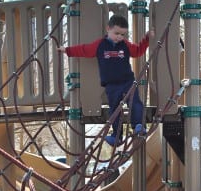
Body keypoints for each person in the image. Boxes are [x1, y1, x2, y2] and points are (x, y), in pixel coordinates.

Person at [58, 15, 154, 146]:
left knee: (135, 103)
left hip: (127, 81)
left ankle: (138, 126)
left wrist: (146, 39)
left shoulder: (125, 44)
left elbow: (137, 51)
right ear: (108, 29)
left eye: (123, 34)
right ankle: (117, 136)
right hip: (111, 85)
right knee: (114, 109)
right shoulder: (100, 45)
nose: (119, 37)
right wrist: (67, 50)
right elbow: (84, 49)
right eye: (117, 33)